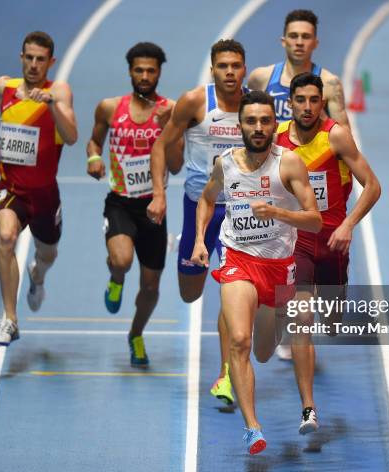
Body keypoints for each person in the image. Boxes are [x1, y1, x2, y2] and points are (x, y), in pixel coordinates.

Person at [191, 91, 322, 454]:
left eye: (265, 121)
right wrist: (200, 241)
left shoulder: (289, 163)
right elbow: (206, 199)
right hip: (238, 259)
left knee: (263, 351)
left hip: (279, 268)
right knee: (239, 341)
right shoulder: (225, 164)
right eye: (251, 121)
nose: (259, 127)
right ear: (241, 126)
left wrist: (279, 213)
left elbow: (314, 220)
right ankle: (252, 427)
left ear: (272, 123)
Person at [276, 72, 380, 433]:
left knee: (333, 324)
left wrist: (348, 224)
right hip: (297, 244)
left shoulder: (335, 136)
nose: (307, 107)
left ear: (322, 102)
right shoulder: (276, 143)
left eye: (313, 100)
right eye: (300, 100)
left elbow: (373, 186)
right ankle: (308, 409)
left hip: (333, 243)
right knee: (302, 321)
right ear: (289, 103)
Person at [248, 9, 353, 360]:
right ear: (283, 40)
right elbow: (245, 124)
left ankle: (306, 316)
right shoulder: (263, 78)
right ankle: (292, 324)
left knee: (334, 318)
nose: (299, 42)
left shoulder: (330, 83)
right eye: (293, 36)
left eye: (305, 37)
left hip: (322, 192)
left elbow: (344, 139)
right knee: (289, 274)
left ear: (315, 42)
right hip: (281, 188)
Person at [147, 39, 247, 402]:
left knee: (232, 292)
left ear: (245, 69)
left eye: (236, 65)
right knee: (190, 293)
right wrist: (159, 194)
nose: (230, 72)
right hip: (197, 208)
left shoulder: (255, 107)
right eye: (223, 66)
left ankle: (226, 375)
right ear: (213, 70)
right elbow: (161, 146)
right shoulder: (194, 101)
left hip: (240, 212)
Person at [0, 31, 77, 347]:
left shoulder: (58, 91)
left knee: (47, 253)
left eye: (40, 59)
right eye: (29, 58)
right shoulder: (4, 86)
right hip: (10, 188)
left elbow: (72, 136)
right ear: (21, 57)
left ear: (51, 62)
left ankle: (38, 276)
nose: (34, 65)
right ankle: (10, 320)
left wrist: (50, 106)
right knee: (6, 237)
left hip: (45, 194)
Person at [86, 42, 179, 367]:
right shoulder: (110, 108)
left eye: (150, 70)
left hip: (154, 207)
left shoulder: (170, 111)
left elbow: (178, 165)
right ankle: (116, 277)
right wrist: (95, 157)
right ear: (129, 71)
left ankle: (136, 334)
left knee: (151, 286)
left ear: (159, 72)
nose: (144, 76)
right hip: (121, 203)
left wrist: (172, 129)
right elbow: (95, 140)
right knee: (122, 260)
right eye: (138, 70)